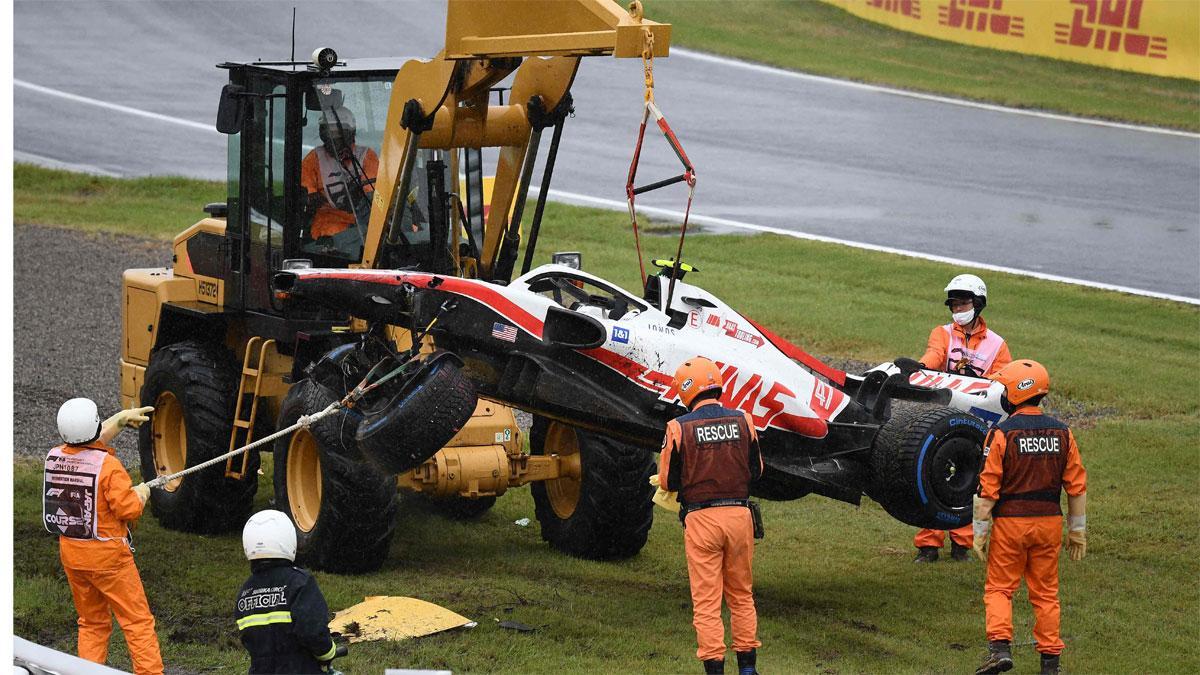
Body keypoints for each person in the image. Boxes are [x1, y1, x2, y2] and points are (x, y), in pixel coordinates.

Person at [971, 360, 1087, 675]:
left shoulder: (1001, 432)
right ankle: (1050, 664)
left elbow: (987, 489)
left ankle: (999, 650)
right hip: (1050, 523)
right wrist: (1077, 532)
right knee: (1046, 593)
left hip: (1010, 525)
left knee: (999, 589)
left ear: (1016, 393)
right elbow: (1076, 487)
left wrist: (979, 532)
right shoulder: (1063, 432)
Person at [657, 357, 764, 675]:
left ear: (686, 391)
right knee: (741, 595)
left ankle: (715, 670)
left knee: (706, 601)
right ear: (717, 383)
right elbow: (756, 471)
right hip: (739, 517)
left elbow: (667, 482)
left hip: (701, 520)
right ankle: (747, 669)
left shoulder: (678, 427)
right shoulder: (744, 420)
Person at [44, 398, 162, 675]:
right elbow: (129, 509)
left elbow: (84, 446)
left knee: (91, 622)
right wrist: (142, 492)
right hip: (110, 560)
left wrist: (120, 420)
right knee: (137, 623)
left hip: (73, 555)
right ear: (96, 424)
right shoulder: (109, 467)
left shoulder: (54, 458)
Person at [912, 273, 1013, 563]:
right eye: (954, 305)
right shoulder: (941, 333)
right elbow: (934, 355)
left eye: (963, 304)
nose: (958, 310)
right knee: (931, 475)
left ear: (978, 304)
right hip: (942, 420)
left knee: (972, 482)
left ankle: (962, 544)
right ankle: (928, 545)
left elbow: (1002, 380)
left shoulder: (997, 344)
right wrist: (921, 367)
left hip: (977, 426)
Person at [236, 510, 340, 674]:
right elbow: (313, 631)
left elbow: (249, 640)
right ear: (288, 540)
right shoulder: (299, 583)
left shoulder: (245, 592)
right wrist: (329, 653)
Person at [300, 106, 379, 245]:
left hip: (364, 224)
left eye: (336, 132)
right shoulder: (314, 158)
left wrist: (358, 194)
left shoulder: (366, 156)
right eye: (326, 132)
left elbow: (372, 196)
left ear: (350, 133)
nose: (331, 137)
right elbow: (307, 194)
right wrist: (312, 198)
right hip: (327, 227)